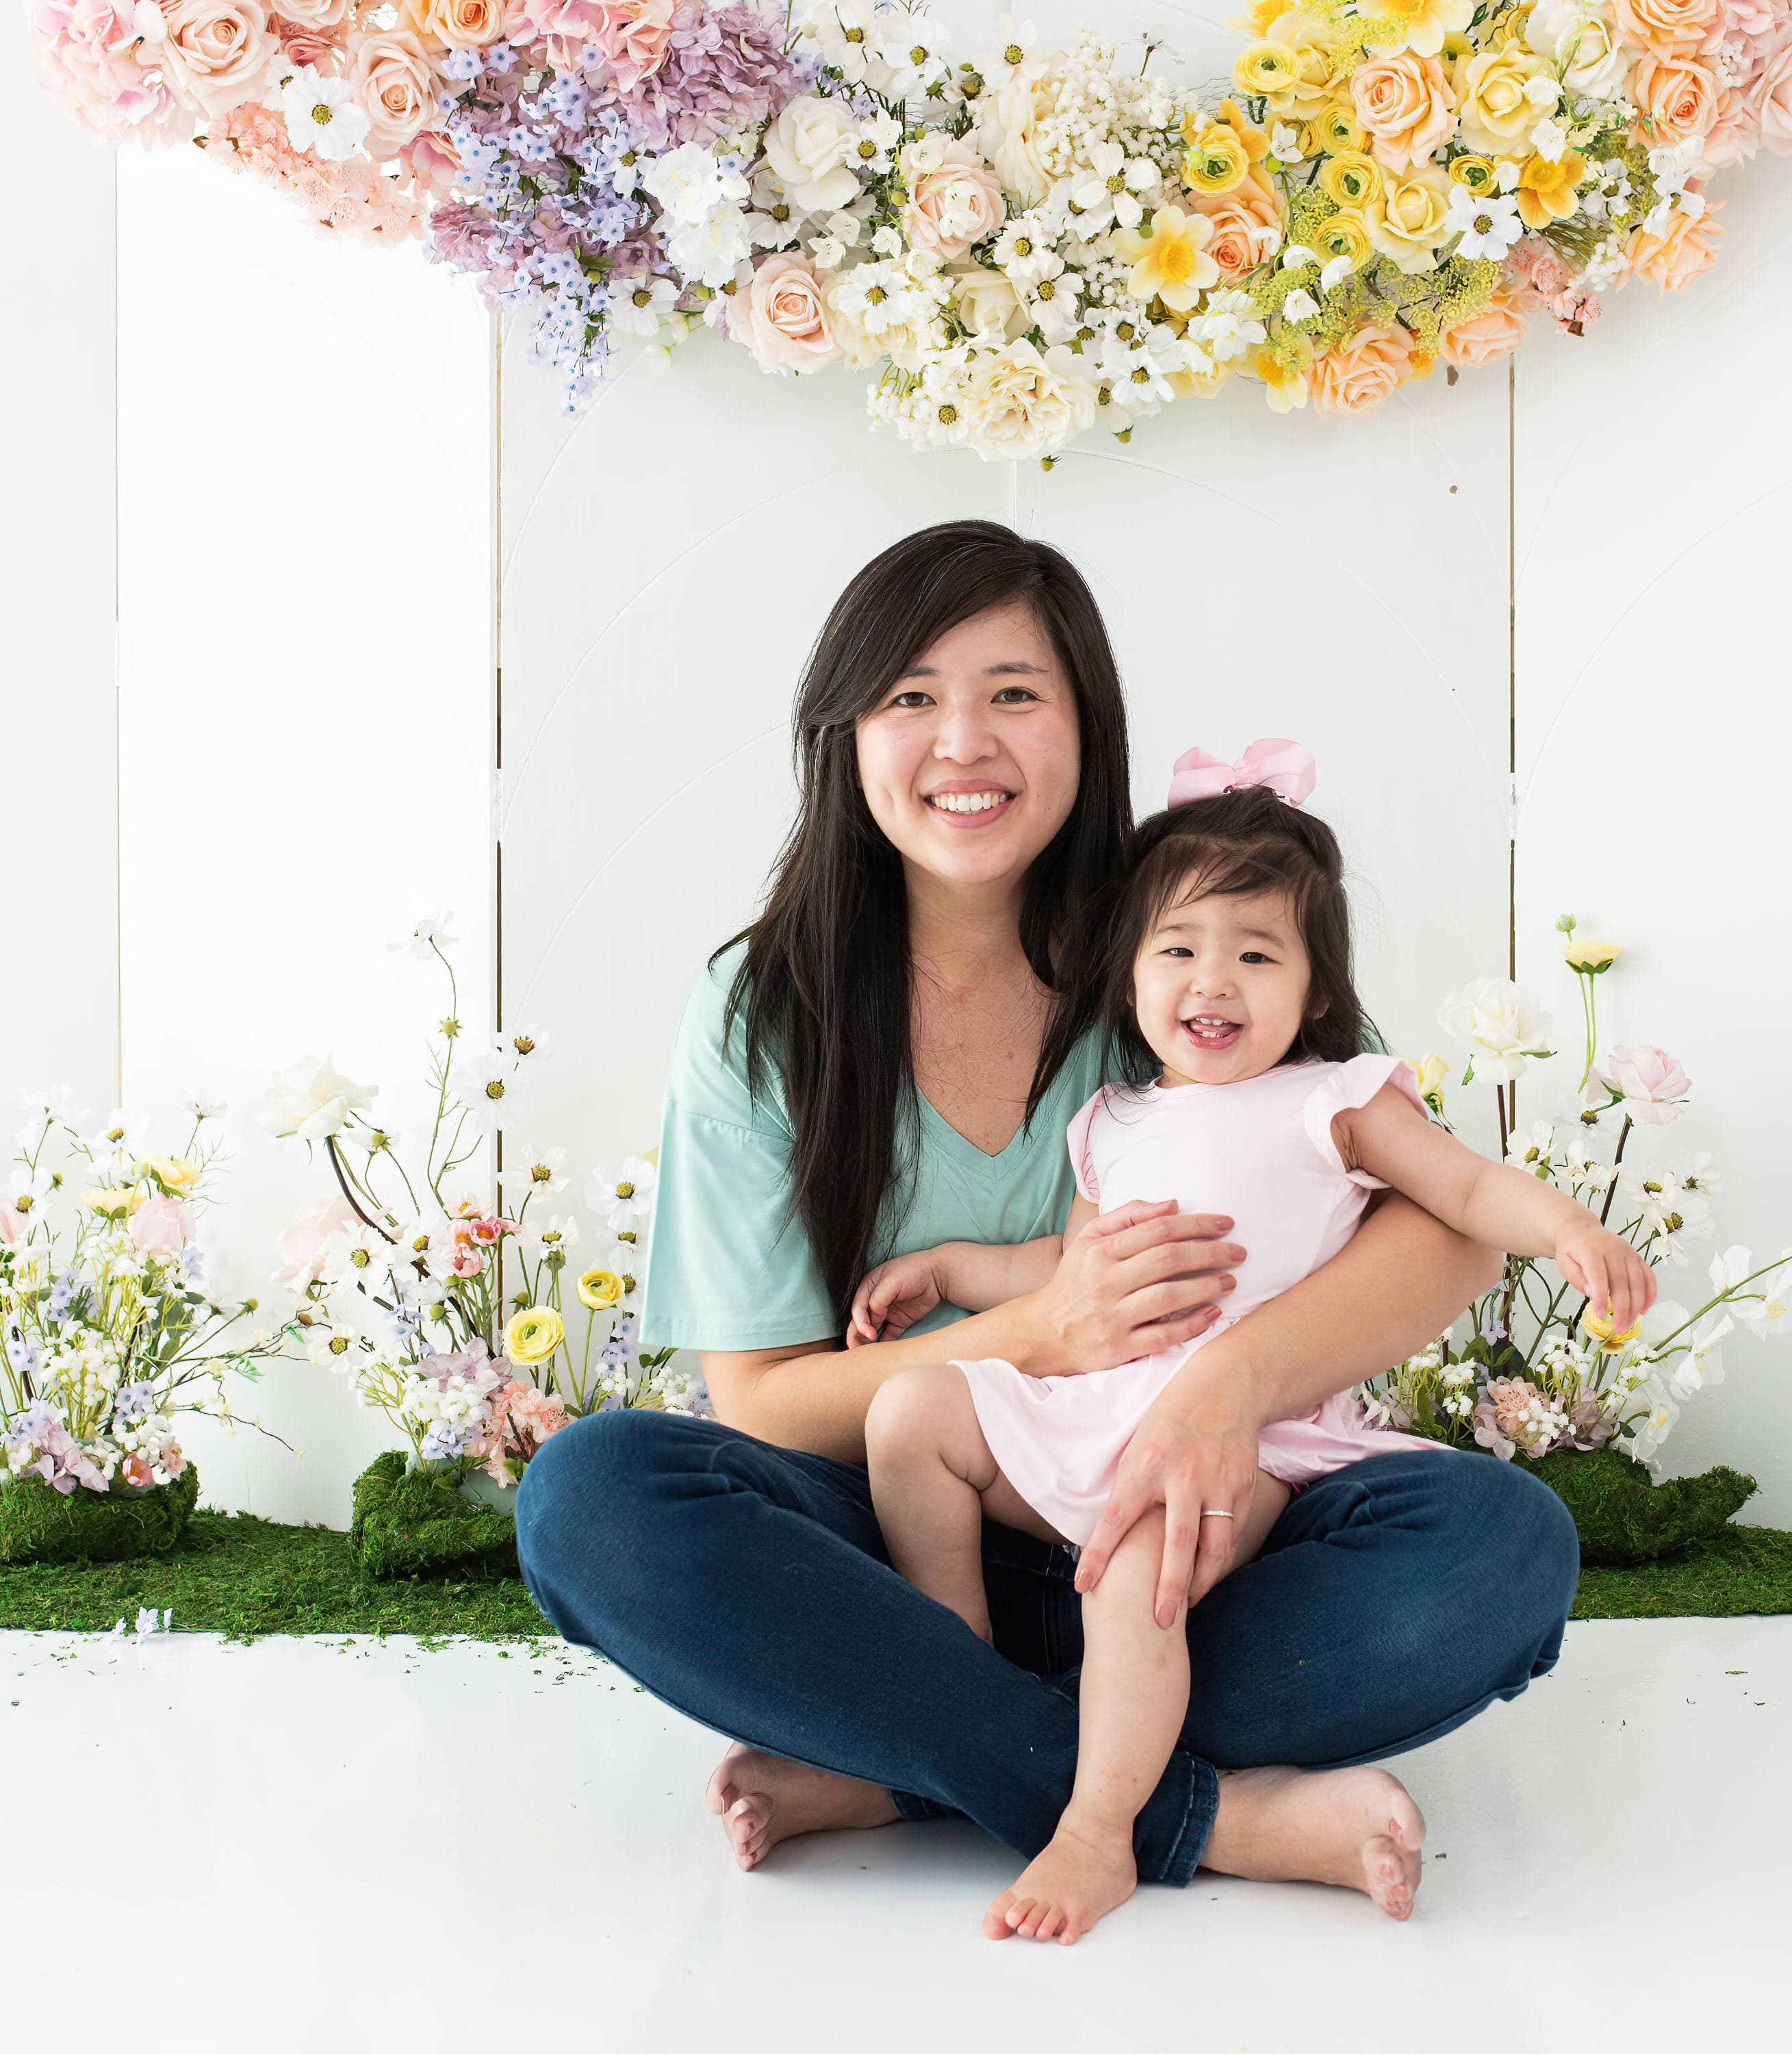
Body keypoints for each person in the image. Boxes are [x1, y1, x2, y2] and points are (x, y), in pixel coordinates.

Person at [513, 519, 1582, 1937]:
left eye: (1014, 693)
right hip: (902, 1549)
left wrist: (1221, 1391)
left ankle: (915, 1753)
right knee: (592, 1501)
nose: (964, 741)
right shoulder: (763, 1011)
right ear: (845, 735)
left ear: (1088, 724)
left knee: (1501, 1548)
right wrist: (1041, 1328)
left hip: (1202, 1538)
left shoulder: (1191, 944)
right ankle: (1188, 1813)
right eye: (910, 696)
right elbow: (763, 1406)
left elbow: (1447, 1231)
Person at [852, 770, 1654, 1942]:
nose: (1213, 981)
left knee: (1144, 1562)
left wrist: (1571, 1228)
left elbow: (1467, 1192)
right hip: (1102, 1407)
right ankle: (965, 1686)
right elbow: (1067, 1272)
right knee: (907, 1412)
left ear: (1316, 986)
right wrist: (952, 1269)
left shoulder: (1336, 1100)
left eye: (1257, 955)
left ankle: (1098, 1829)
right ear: (1132, 973)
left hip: (1249, 1442)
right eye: (1179, 949)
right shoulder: (1111, 1121)